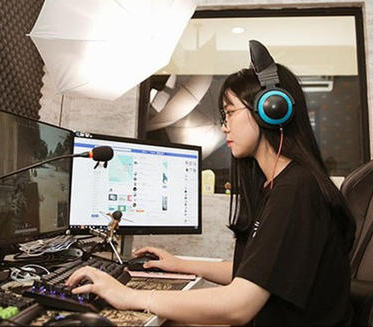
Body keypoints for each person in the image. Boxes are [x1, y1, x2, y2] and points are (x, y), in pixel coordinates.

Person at [66, 41, 356, 325]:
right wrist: (181, 265)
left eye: (230, 112)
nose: (224, 125)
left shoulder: (296, 190)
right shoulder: (277, 185)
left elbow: (238, 305)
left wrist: (129, 296)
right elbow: (256, 273)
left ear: (270, 110)